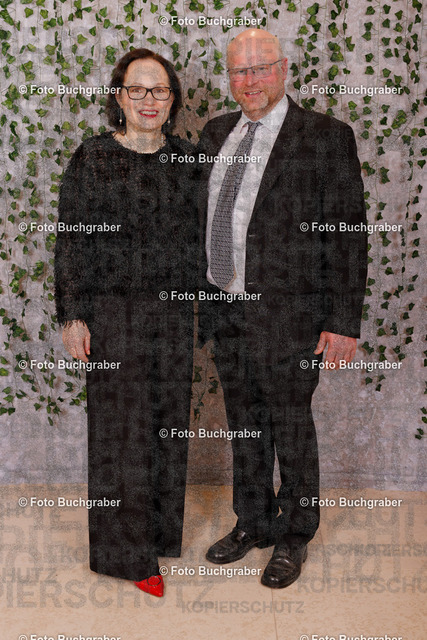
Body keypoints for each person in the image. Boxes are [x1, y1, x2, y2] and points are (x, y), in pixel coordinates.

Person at [196, 29, 368, 589]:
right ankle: (253, 521)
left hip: (291, 317)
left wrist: (342, 323)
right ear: (229, 77)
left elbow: (347, 236)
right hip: (226, 307)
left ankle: (295, 534)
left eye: (261, 68)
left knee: (291, 427)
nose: (250, 81)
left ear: (284, 68)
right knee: (245, 424)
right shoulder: (215, 131)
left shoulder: (325, 137)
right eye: (239, 71)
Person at [54, 48, 197, 597]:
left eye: (159, 90)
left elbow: (206, 240)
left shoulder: (188, 159)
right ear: (119, 97)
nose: (148, 100)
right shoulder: (92, 158)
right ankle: (127, 557)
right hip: (113, 315)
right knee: (122, 434)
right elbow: (71, 240)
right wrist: (73, 315)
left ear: (172, 100)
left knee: (165, 427)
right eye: (137, 89)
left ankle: (157, 535)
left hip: (173, 314)